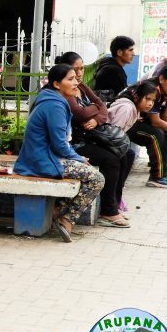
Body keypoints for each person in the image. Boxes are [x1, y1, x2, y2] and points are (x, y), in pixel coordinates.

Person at [14, 64, 104, 242]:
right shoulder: (54, 105)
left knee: (87, 170)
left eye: (75, 78)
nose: (75, 82)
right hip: (42, 160)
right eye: (70, 79)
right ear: (56, 84)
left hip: (43, 157)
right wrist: (78, 158)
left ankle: (56, 211)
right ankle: (65, 219)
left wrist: (77, 159)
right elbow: (59, 145)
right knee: (97, 179)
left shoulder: (52, 100)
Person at [55, 52, 132, 227]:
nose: (80, 73)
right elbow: (80, 113)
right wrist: (94, 108)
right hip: (76, 143)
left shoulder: (80, 87)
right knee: (111, 160)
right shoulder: (63, 92)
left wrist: (97, 118)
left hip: (90, 136)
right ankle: (108, 211)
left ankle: (115, 203)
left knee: (126, 155)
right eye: (76, 70)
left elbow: (102, 106)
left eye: (81, 68)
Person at [123, 64, 167, 188]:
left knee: (166, 131)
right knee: (156, 133)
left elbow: (164, 120)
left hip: (135, 121)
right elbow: (156, 122)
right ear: (162, 78)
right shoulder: (153, 88)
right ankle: (157, 177)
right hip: (123, 123)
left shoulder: (164, 90)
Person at [93, 36, 135, 103]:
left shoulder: (108, 65)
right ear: (119, 53)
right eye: (130, 50)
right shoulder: (113, 71)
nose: (133, 54)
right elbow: (122, 97)